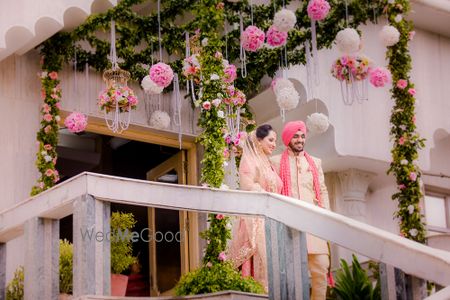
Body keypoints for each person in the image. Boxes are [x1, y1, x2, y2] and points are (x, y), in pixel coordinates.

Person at [271, 120, 330, 300]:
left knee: (321, 267)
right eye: (296, 136)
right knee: (293, 271)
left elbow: (323, 189)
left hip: (314, 224)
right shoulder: (275, 162)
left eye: (302, 136)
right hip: (289, 224)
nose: (300, 140)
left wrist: (326, 215)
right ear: (288, 138)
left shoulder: (315, 162)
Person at [228, 124, 283, 291]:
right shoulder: (249, 160)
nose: (274, 144)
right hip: (255, 220)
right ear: (259, 141)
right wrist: (268, 195)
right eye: (271, 140)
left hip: (271, 221)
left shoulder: (269, 164)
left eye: (275, 140)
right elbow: (248, 186)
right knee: (260, 260)